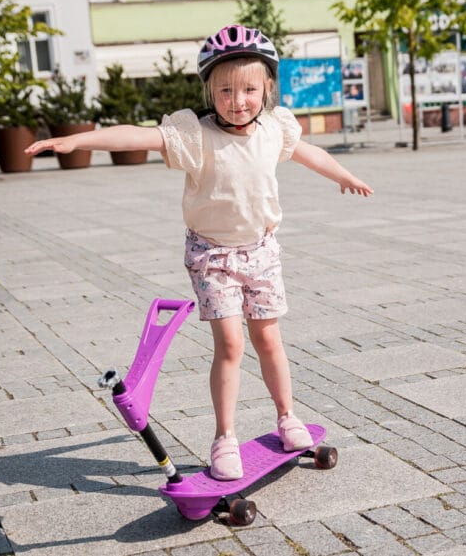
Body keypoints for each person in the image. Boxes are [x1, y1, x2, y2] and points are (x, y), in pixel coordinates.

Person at [24, 24, 372, 481]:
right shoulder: (197, 136)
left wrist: (342, 174)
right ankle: (224, 436)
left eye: (249, 88)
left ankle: (287, 416)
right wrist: (78, 140)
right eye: (226, 89)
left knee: (269, 339)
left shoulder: (274, 130)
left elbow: (309, 153)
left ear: (267, 87)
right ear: (210, 89)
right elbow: (138, 136)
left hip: (262, 251)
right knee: (230, 344)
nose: (238, 99)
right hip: (212, 256)